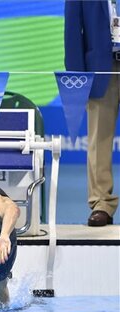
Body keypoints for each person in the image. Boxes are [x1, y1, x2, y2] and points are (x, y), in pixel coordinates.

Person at [64, 0, 119, 226]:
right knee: (98, 140)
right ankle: (101, 203)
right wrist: (78, 79)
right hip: (101, 69)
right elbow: (72, 30)